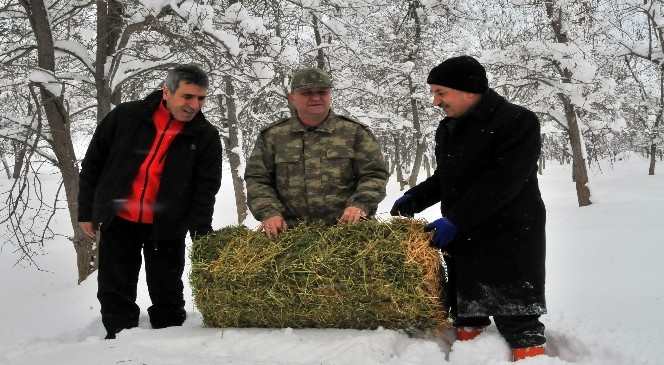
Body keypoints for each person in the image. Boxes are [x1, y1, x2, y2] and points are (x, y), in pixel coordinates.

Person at [390, 55, 547, 362]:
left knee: (518, 320)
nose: (435, 101)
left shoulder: (518, 121)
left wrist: (456, 220)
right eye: (433, 93)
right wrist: (415, 198)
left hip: (510, 237)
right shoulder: (448, 128)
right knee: (467, 315)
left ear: (467, 90)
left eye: (440, 92)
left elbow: (505, 181)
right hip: (465, 239)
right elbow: (446, 178)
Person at [78, 64, 223, 339]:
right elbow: (93, 165)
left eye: (201, 98)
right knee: (114, 287)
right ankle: (118, 341)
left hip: (167, 225)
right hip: (120, 219)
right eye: (188, 97)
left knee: (167, 290)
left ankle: (169, 342)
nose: (194, 105)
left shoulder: (205, 135)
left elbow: (206, 189)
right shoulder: (126, 117)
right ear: (166, 92)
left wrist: (201, 231)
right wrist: (87, 211)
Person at [245, 67, 388, 237]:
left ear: (330, 95)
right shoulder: (273, 136)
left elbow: (375, 175)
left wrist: (359, 205)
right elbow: (257, 179)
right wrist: (269, 212)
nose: (315, 98)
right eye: (306, 93)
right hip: (289, 235)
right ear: (292, 98)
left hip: (348, 232)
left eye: (322, 92)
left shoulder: (354, 133)